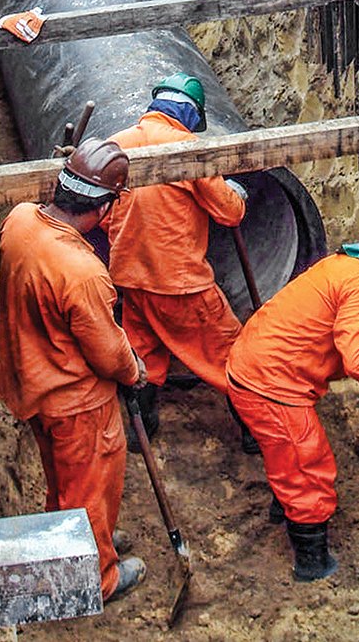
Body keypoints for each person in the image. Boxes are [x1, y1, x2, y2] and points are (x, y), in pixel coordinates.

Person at [225, 210, 359, 581]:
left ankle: (283, 505)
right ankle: (312, 563)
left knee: (286, 455)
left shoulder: (341, 265)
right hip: (271, 387)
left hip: (248, 364)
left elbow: (340, 345)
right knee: (307, 467)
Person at [0, 138, 147, 602]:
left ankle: (76, 546)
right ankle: (97, 578)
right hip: (76, 402)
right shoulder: (82, 271)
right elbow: (107, 352)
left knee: (63, 483)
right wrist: (134, 370)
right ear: (102, 209)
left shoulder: (20, 220)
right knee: (90, 488)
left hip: (30, 381)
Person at [103, 71, 253, 453]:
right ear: (190, 117)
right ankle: (255, 431)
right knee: (232, 355)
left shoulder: (116, 144)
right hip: (182, 284)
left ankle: (140, 430)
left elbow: (100, 211)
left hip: (131, 278)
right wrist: (236, 191)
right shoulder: (189, 150)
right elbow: (229, 213)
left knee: (145, 351)